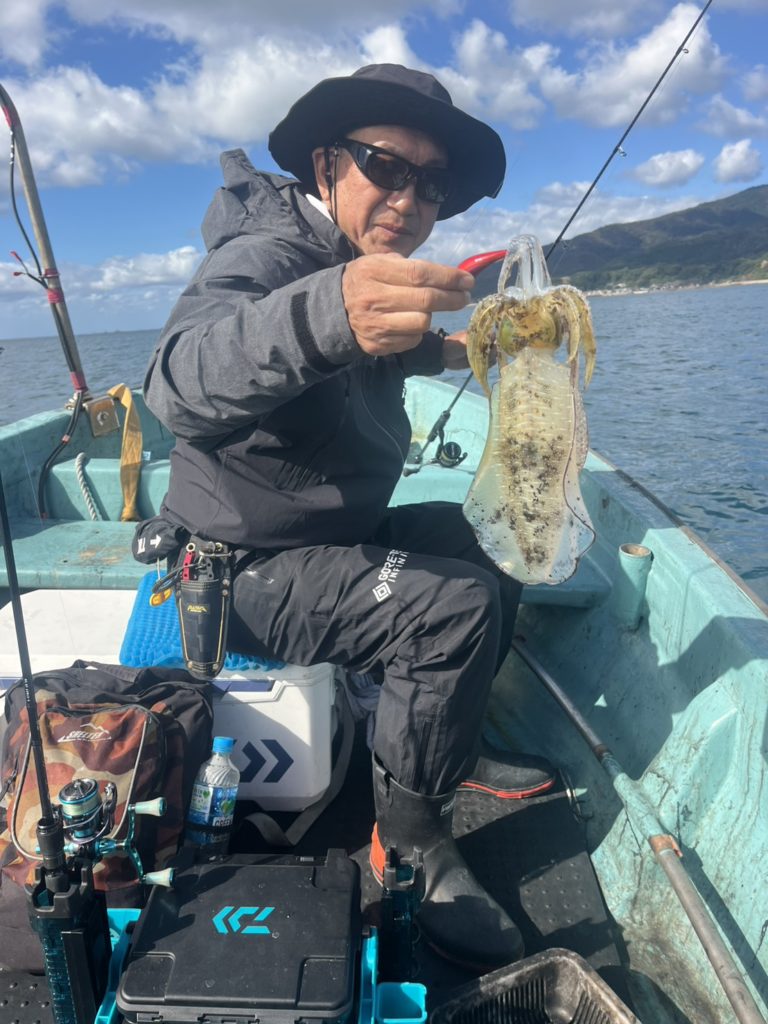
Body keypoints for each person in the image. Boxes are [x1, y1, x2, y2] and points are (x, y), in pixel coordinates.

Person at [143, 63, 553, 970]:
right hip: (241, 568)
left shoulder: (354, 260)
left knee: (489, 538)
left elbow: (386, 351)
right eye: (386, 166)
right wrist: (327, 312)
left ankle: (450, 747)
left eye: (431, 183)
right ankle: (411, 844)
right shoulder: (263, 256)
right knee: (450, 608)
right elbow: (176, 381)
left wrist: (473, 349)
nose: (409, 198)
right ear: (327, 163)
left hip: (335, 542)